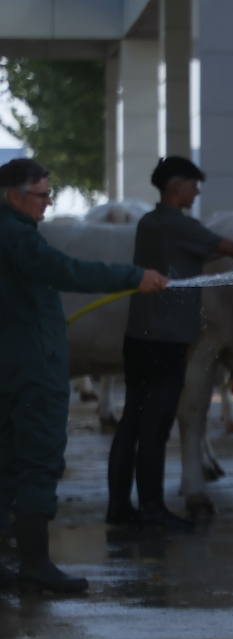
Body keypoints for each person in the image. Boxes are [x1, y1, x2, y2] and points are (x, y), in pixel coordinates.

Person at [106, 155, 233, 531]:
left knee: (132, 422)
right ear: (176, 186)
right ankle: (151, 508)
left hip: (139, 337)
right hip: (166, 339)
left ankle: (119, 506)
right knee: (156, 427)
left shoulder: (150, 222)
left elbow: (200, 252)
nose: (196, 193)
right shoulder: (178, 223)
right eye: (193, 186)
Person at [0, 157, 168, 593]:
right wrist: (135, 276)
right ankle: (35, 565)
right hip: (32, 371)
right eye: (41, 194)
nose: (48, 202)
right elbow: (67, 271)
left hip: (11, 366)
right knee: (37, 462)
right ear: (13, 196)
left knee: (6, 464)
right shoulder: (18, 237)